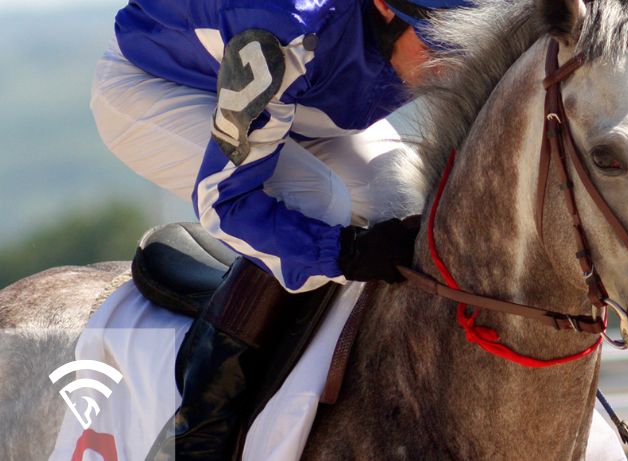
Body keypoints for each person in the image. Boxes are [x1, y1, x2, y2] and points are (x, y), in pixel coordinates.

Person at [90, 0, 470, 458]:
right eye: (438, 42)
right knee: (319, 201)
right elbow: (228, 203)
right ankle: (201, 424)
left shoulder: (421, 30)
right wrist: (344, 254)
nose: (453, 64)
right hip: (158, 85)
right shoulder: (284, 31)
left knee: (402, 198)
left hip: (293, 95)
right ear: (385, 7)